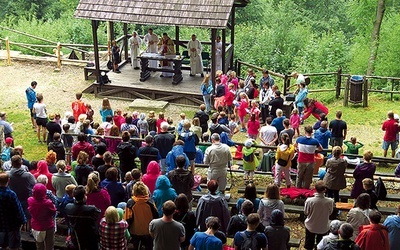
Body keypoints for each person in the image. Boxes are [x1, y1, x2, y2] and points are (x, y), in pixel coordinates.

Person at [124, 181, 159, 250]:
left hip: (135, 232)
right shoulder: (150, 202)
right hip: (148, 231)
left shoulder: (130, 203)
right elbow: (156, 216)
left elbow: (127, 219)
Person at [66, 185, 101, 250]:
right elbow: (98, 214)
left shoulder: (68, 207)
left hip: (76, 238)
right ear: (84, 196)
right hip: (90, 238)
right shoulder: (91, 209)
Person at [304, 180, 334, 250]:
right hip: (323, 226)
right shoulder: (330, 201)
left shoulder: (309, 200)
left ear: (315, 189)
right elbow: (330, 212)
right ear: (325, 190)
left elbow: (306, 212)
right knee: (321, 245)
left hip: (311, 225)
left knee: (309, 245)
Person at [0, 172, 27, 250]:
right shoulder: (11, 194)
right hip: (12, 225)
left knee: (2, 245)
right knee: (14, 246)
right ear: (8, 180)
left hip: (1, 224)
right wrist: (23, 221)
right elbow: (18, 209)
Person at [28, 183, 57, 250]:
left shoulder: (30, 200)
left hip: (35, 226)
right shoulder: (48, 203)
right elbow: (53, 211)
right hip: (48, 226)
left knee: (39, 246)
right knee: (49, 246)